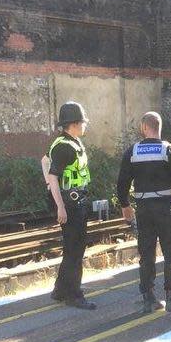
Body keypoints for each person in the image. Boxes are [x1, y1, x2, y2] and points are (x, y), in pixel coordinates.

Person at [117, 112, 171, 313]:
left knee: (147, 254)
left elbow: (122, 182)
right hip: (166, 209)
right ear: (159, 127)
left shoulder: (132, 152)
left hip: (143, 211)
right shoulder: (169, 150)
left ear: (144, 128)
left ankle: (148, 298)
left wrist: (125, 206)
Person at [45, 102, 96, 310]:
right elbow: (52, 176)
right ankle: (74, 294)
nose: (85, 125)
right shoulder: (64, 147)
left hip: (77, 202)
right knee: (75, 250)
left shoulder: (71, 143)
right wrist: (60, 207)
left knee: (73, 248)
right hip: (70, 204)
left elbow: (43, 161)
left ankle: (60, 290)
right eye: (83, 122)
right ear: (74, 124)